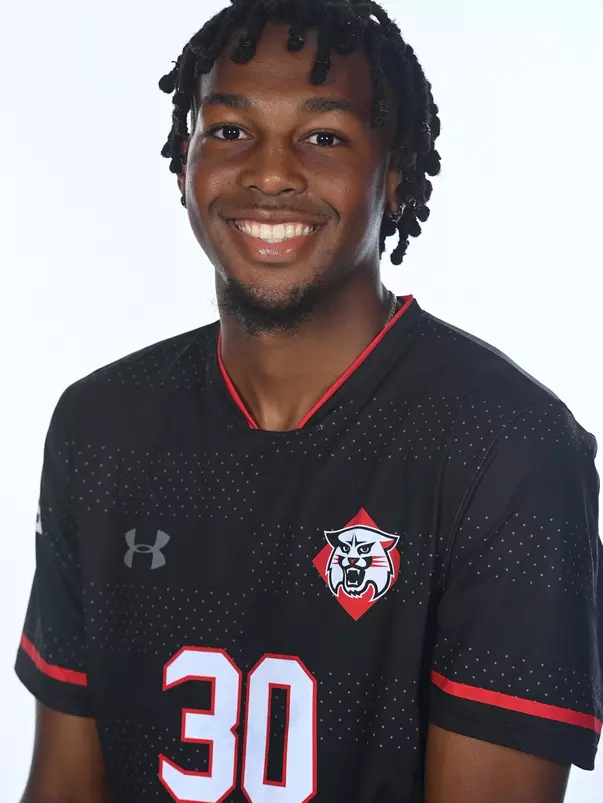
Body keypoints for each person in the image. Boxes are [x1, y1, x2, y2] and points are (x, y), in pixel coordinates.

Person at [15, 1, 602, 801]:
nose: (269, 171)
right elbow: (62, 782)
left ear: (394, 170)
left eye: (323, 137)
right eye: (228, 130)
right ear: (183, 157)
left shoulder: (507, 447)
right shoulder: (101, 424)